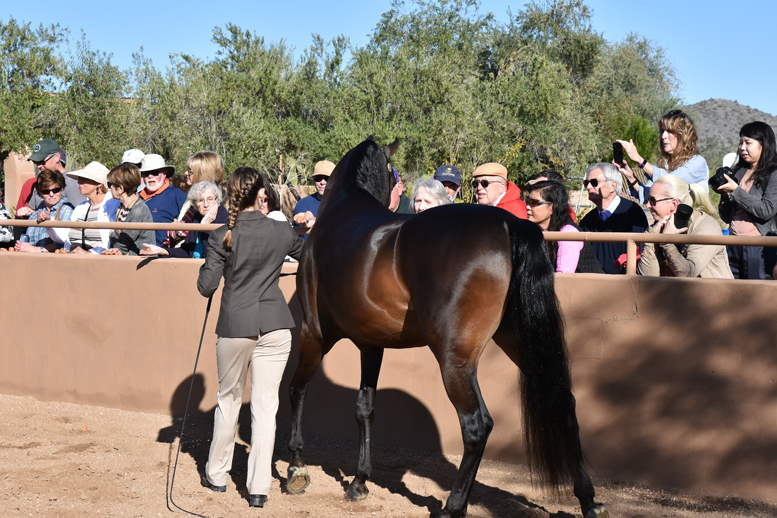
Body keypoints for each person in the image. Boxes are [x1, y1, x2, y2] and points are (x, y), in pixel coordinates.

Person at [197, 167, 310, 509]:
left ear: (230, 194)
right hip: (276, 325)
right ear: (261, 193)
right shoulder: (280, 230)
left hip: (235, 326)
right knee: (265, 407)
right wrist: (303, 230)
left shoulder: (221, 236)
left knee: (229, 401)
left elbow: (206, 287)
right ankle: (258, 488)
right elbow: (308, 255)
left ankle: (217, 474)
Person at [638, 176, 733, 278]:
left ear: (673, 204)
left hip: (713, 292)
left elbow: (688, 275)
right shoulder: (656, 228)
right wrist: (650, 240)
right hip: (673, 293)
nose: (647, 205)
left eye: (652, 200)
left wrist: (667, 242)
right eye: (647, 199)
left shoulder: (705, 226)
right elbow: (646, 279)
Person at [717, 121, 777, 279]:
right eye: (741, 142)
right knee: (734, 293)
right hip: (733, 243)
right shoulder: (739, 171)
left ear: (763, 144)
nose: (742, 147)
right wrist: (724, 196)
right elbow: (725, 216)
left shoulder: (774, 173)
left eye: (748, 142)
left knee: (756, 295)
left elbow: (767, 210)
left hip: (758, 247)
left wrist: (736, 191)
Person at [614, 110, 709, 203]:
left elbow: (670, 183)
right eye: (662, 131)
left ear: (683, 135)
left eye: (670, 131)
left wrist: (640, 160)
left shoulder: (697, 162)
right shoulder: (663, 163)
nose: (663, 136)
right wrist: (630, 176)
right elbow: (649, 196)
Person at [578, 162, 649, 274]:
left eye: (594, 182)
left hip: (627, 285)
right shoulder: (587, 221)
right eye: (586, 182)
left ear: (613, 186)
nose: (588, 187)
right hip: (596, 285)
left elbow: (642, 255)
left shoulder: (633, 213)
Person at [525, 181, 603, 273]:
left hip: (583, 286)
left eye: (534, 202)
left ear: (552, 207)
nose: (527, 207)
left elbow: (563, 278)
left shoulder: (568, 233)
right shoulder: (536, 230)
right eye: (527, 201)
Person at [43, 162, 120, 254]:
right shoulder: (81, 207)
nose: (78, 182)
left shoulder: (114, 205)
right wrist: (49, 223)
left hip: (97, 263)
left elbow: (110, 240)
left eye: (83, 179)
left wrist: (90, 253)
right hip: (73, 261)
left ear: (99, 183)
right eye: (79, 179)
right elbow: (67, 236)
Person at [141, 181, 227, 258]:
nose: (206, 204)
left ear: (217, 200)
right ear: (195, 204)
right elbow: (187, 251)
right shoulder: (197, 218)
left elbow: (214, 256)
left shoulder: (224, 220)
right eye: (201, 200)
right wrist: (165, 251)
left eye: (210, 199)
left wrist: (205, 228)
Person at [18, 139, 86, 217]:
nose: (39, 166)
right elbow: (33, 209)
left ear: (57, 157)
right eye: (36, 162)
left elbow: (79, 216)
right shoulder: (41, 180)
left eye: (42, 162)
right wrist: (26, 211)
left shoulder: (72, 182)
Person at [100, 164, 156, 256]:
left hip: (140, 263)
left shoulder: (138, 210)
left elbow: (122, 246)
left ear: (120, 189)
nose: (109, 188)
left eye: (110, 184)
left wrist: (112, 234)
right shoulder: (123, 206)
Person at [14, 170, 74, 252]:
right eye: (46, 191)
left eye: (56, 190)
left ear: (62, 189)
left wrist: (36, 249)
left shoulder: (67, 210)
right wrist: (21, 246)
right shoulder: (36, 213)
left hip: (53, 260)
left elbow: (65, 241)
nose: (51, 194)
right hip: (32, 260)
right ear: (40, 193)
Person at [139, 154, 187, 246]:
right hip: (137, 255)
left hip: (164, 256)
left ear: (164, 174)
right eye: (145, 173)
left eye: (155, 172)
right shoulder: (137, 198)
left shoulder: (177, 195)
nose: (150, 176)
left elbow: (191, 226)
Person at [293, 160, 335, 237]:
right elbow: (294, 237)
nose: (322, 182)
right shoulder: (301, 204)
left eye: (327, 178)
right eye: (318, 178)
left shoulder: (343, 205)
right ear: (313, 180)